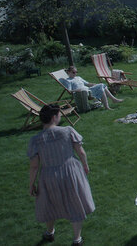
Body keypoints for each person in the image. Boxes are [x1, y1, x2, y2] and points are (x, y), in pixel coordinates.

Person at [28, 103, 95, 245]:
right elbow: (81, 152)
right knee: (75, 203)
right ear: (54, 117)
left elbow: (34, 166)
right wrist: (85, 165)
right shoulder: (67, 130)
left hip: (48, 175)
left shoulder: (35, 140)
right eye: (59, 115)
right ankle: (77, 239)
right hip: (71, 172)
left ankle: (49, 232)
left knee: (49, 203)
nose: (60, 117)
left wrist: (31, 184)